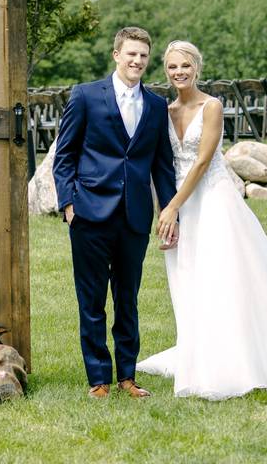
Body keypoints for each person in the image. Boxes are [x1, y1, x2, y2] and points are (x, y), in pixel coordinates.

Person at [137, 40, 267, 400]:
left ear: (197, 67)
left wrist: (172, 205)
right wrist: (167, 211)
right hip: (178, 203)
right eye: (172, 67)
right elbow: (162, 162)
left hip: (211, 199)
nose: (179, 72)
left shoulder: (212, 106)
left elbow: (203, 161)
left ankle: (237, 355)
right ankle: (198, 349)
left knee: (222, 274)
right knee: (187, 276)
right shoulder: (165, 109)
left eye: (185, 66)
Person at [53, 26, 178, 399]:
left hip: (134, 217)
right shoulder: (87, 95)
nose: (137, 61)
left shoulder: (156, 106)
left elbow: (162, 165)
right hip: (89, 214)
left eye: (143, 55)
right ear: (116, 55)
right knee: (91, 300)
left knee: (128, 299)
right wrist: (68, 204)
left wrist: (170, 212)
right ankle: (98, 380)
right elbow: (65, 156)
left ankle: (127, 376)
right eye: (131, 54)